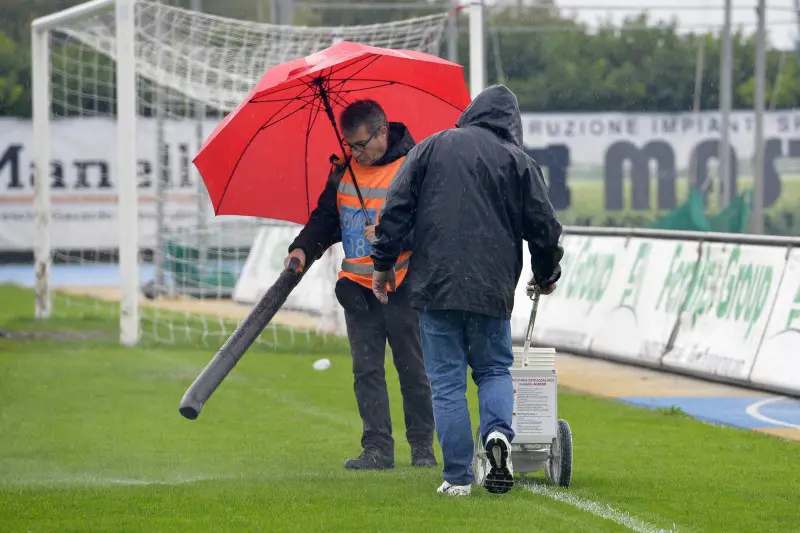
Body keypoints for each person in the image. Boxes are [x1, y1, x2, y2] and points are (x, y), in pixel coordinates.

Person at [368, 84, 564, 496]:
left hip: (435, 286)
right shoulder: (519, 161)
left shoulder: (431, 147)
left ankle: (458, 477)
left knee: (446, 383)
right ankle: (497, 438)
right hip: (492, 289)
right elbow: (545, 228)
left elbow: (396, 208)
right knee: (493, 370)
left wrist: (384, 264)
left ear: (472, 113)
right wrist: (546, 274)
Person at [284, 99, 436, 471]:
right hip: (356, 288)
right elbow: (324, 217)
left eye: (361, 145)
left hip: (402, 286)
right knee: (366, 371)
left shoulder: (413, 167)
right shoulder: (343, 172)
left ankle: (422, 449)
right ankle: (377, 449)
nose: (355, 153)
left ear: (383, 131)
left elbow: (431, 227)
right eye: (350, 145)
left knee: (412, 370)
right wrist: (302, 249)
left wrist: (392, 236)